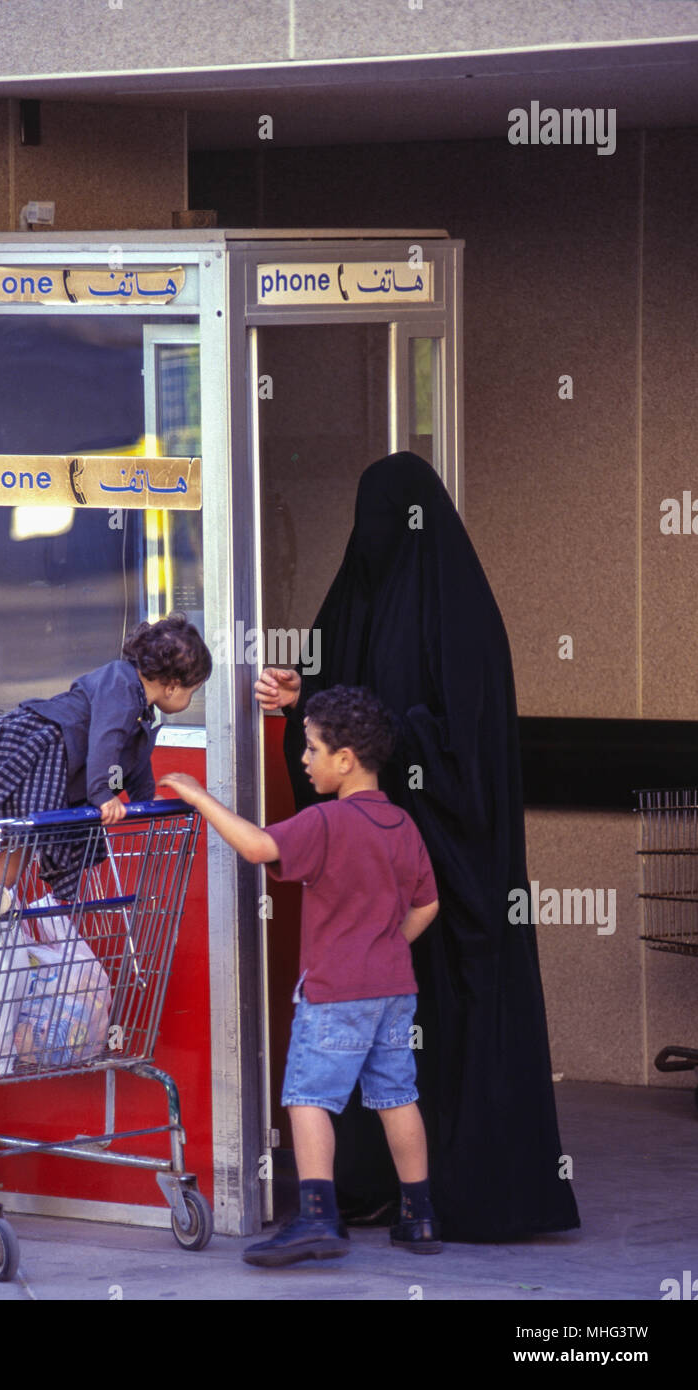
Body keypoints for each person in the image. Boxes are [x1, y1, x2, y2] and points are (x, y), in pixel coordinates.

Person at [255, 451, 580, 1243]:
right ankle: (385, 1194)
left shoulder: (460, 619)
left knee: (427, 1026)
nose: (373, 535)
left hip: (454, 874)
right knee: (388, 1056)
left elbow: (464, 749)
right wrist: (302, 699)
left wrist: (387, 740)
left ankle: (466, 1192)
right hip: (381, 886)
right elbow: (335, 725)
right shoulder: (355, 601)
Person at [159, 684, 441, 1268]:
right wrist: (385, 944)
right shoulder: (402, 825)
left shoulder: (328, 822)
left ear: (346, 760)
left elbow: (259, 847)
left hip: (336, 991)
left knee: (308, 1097)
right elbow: (427, 905)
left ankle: (317, 1219)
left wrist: (198, 795)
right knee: (397, 1096)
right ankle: (419, 1215)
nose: (305, 760)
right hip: (393, 991)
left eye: (312, 749)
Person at [0, 613, 211, 902]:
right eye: (192, 692)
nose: (189, 700)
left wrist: (144, 798)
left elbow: (133, 757)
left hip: (58, 763)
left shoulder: (140, 709)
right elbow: (105, 740)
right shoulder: (121, 685)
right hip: (43, 747)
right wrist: (101, 793)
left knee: (22, 839)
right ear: (173, 686)